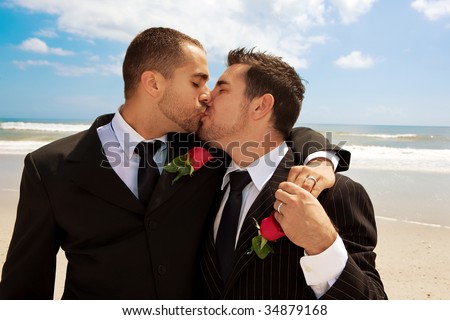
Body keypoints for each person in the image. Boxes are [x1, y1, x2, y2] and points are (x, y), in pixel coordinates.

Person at [0, 28, 348, 299]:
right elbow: (25, 286)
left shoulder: (208, 148)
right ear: (152, 83)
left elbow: (277, 132)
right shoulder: (49, 167)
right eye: (197, 81)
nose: (207, 94)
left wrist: (320, 159)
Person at [197, 48, 387, 299]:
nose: (206, 96)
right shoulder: (203, 178)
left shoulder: (335, 194)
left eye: (221, 89)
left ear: (260, 106)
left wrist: (323, 245)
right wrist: (322, 156)